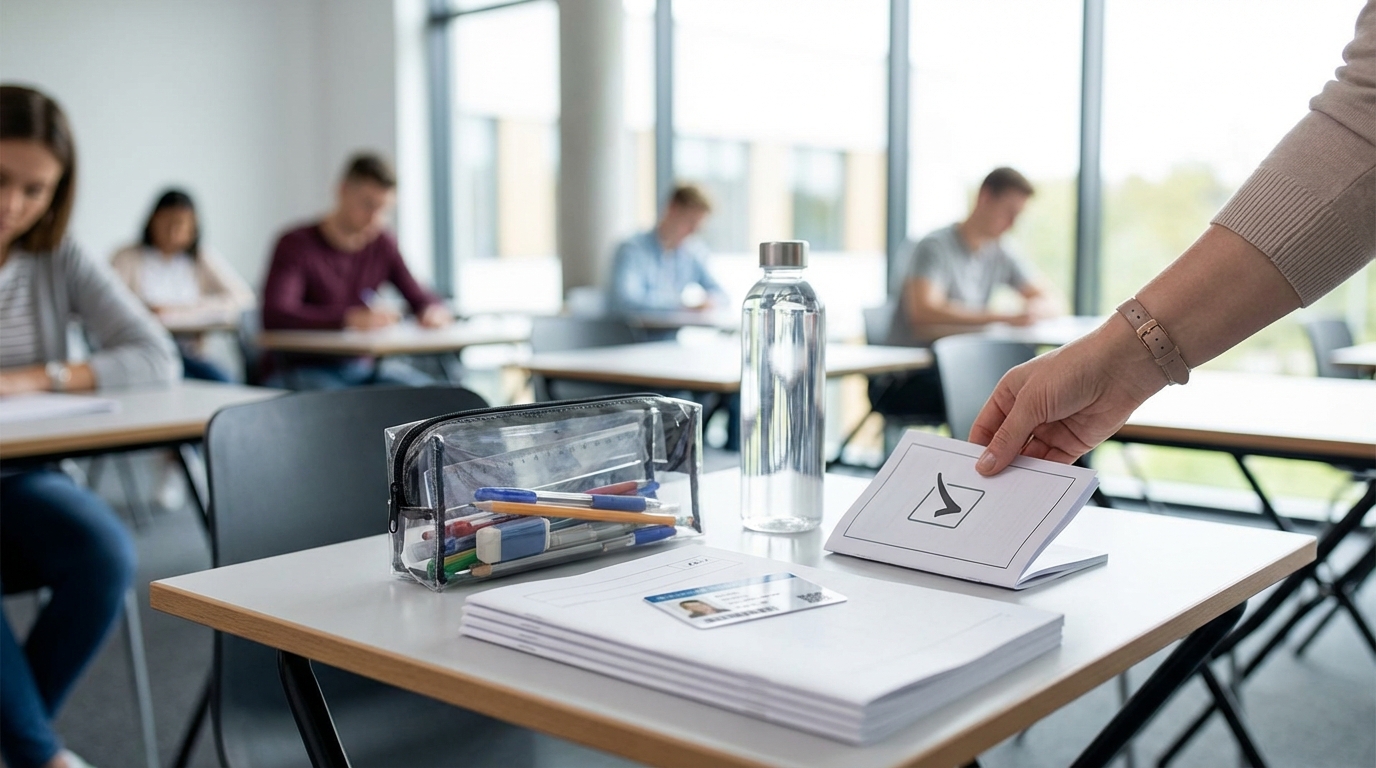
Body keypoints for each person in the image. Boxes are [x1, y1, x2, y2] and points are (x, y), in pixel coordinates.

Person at [971, 0, 1374, 478]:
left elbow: (1362, 132)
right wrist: (1121, 362)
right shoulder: (939, 247)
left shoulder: (1003, 252)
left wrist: (1120, 359)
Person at [1, 84, 180, 768]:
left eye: (35, 189)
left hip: (22, 480)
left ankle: (24, 743)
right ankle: (40, 755)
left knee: (104, 550)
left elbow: (153, 355)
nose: (11, 206)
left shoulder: (57, 256)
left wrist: (33, 377)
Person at [259, 152, 451, 389]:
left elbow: (418, 296)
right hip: (299, 369)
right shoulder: (295, 245)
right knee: (349, 410)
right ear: (342, 191)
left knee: (438, 395)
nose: (375, 218)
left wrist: (432, 310)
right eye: (368, 205)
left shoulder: (382, 244)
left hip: (362, 369)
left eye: (384, 209)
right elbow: (276, 315)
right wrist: (348, 318)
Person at [888, 167, 1057, 348]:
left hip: (966, 356)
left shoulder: (1001, 251)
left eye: (1017, 216)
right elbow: (924, 312)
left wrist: (1035, 310)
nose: (1012, 224)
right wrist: (1004, 318)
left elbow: (1051, 300)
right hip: (921, 365)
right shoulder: (933, 247)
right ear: (985, 197)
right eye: (1009, 212)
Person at [111, 188, 255, 382]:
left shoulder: (199, 258)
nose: (173, 232)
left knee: (226, 382)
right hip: (143, 354)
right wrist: (145, 310)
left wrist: (182, 309)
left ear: (193, 228)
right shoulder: (127, 258)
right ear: (152, 221)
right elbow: (109, 304)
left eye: (180, 224)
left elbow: (244, 299)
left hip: (189, 354)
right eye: (166, 222)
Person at [606, 183, 727, 322]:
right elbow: (627, 301)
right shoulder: (632, 250)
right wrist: (681, 306)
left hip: (670, 339)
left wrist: (709, 303)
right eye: (690, 222)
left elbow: (722, 296)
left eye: (697, 227)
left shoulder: (691, 254)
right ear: (673, 209)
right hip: (634, 339)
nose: (692, 232)